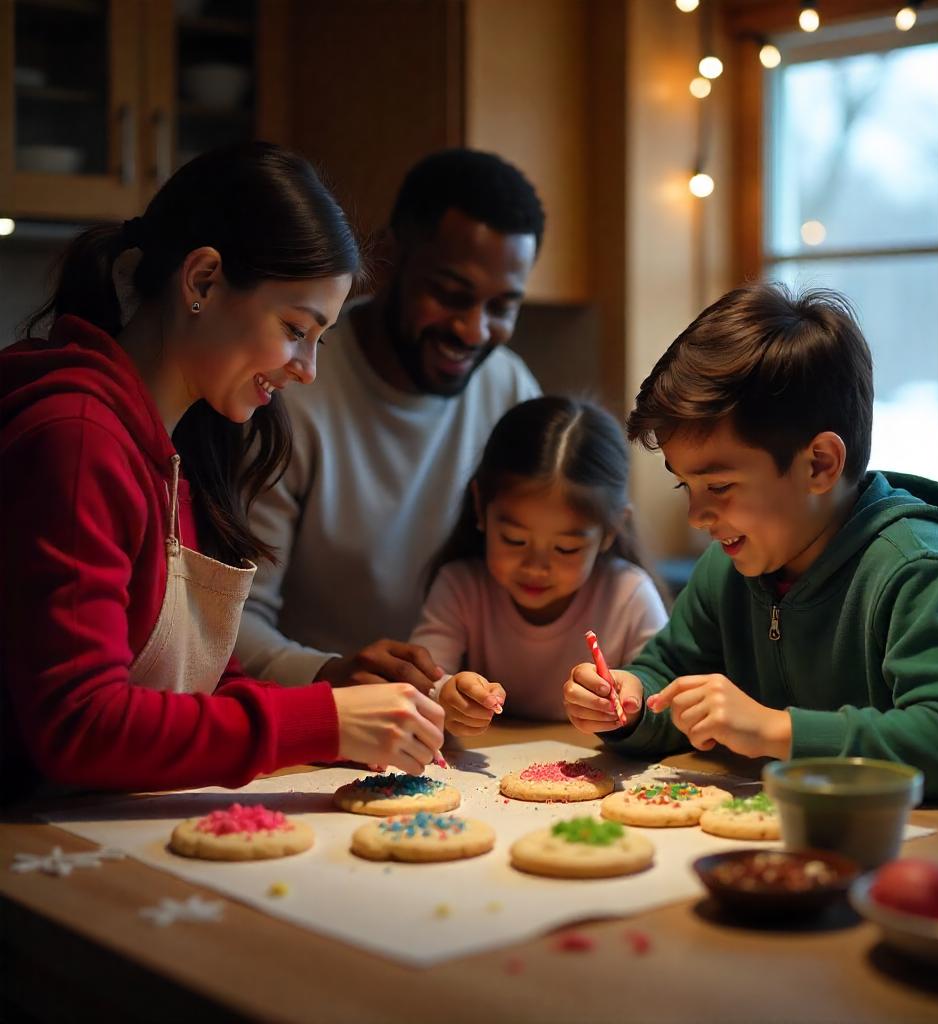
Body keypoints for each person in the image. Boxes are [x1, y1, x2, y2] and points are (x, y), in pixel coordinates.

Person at [0, 142, 444, 797]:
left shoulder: (184, 447)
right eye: (297, 328)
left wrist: (341, 701)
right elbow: (81, 725)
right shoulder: (77, 439)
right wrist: (322, 722)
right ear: (203, 280)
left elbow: (190, 687)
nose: (308, 369)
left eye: (319, 340)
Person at [563, 282, 938, 802]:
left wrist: (774, 730)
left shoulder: (916, 569)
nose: (697, 517)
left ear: (820, 464)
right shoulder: (728, 568)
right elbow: (669, 674)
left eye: (718, 486)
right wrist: (632, 700)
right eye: (684, 485)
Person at [235, 148, 545, 694]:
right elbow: (231, 620)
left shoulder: (511, 391)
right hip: (316, 725)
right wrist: (329, 673)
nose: (474, 330)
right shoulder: (291, 387)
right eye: (451, 294)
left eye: (502, 307)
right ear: (387, 258)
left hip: (468, 728)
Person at [409, 396, 667, 733]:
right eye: (515, 541)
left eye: (566, 548)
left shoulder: (629, 596)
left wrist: (633, 706)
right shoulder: (461, 587)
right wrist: (445, 694)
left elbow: (665, 697)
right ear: (480, 506)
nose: (536, 567)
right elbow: (420, 682)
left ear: (611, 531)